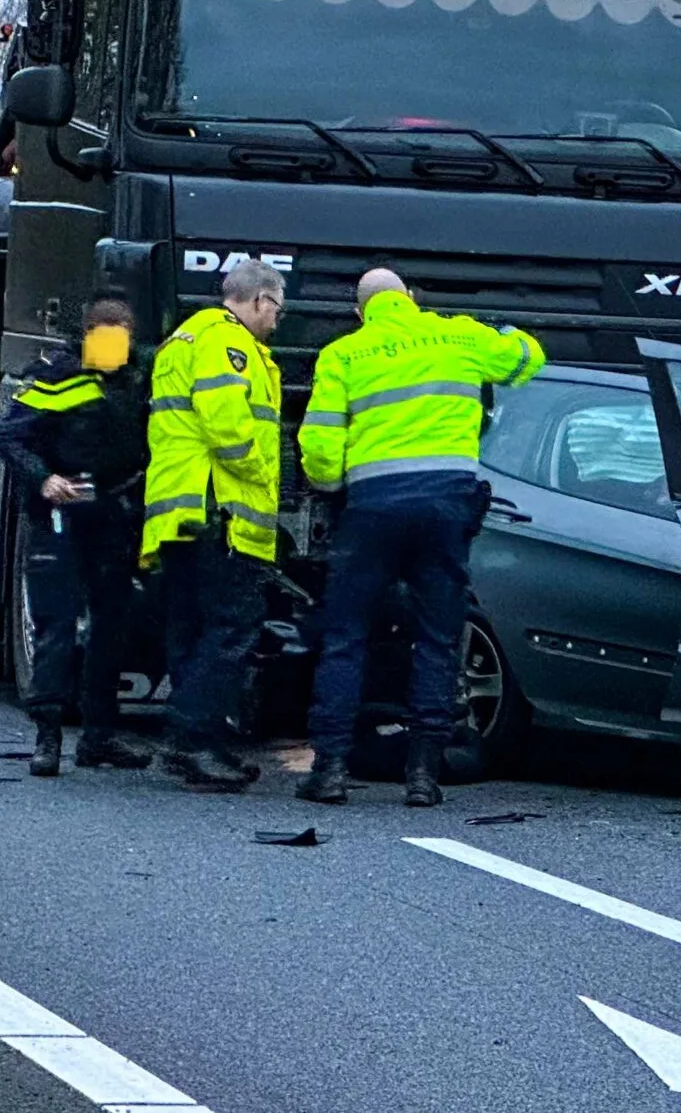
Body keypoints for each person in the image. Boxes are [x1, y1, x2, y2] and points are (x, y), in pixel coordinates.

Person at [296, 268, 544, 807]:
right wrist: (501, 331)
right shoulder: (460, 335)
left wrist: (341, 482)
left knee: (346, 636)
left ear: (360, 313)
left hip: (373, 509)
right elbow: (529, 359)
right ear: (410, 298)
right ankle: (425, 773)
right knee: (437, 636)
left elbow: (317, 451)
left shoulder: (343, 354)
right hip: (446, 506)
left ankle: (332, 769)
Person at [139, 260, 285, 791]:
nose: (277, 320)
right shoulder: (229, 343)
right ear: (260, 300)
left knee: (191, 629)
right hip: (218, 508)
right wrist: (263, 471)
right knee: (233, 626)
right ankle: (189, 740)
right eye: (277, 309)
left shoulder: (186, 335)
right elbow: (227, 423)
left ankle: (201, 740)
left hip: (182, 511)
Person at [0, 296, 154, 777]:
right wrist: (43, 478)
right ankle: (47, 737)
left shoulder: (137, 378)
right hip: (60, 514)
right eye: (106, 328)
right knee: (57, 624)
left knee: (111, 625)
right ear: (87, 334)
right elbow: (10, 437)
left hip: (113, 512)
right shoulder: (57, 378)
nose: (115, 337)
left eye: (123, 328)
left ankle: (99, 737)